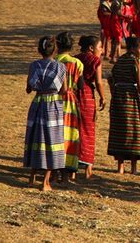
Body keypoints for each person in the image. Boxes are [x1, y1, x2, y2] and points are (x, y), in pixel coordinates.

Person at [23, 36, 66, 191]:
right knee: (52, 140)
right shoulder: (60, 67)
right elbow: (64, 90)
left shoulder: (34, 65)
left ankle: (32, 178)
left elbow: (28, 88)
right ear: (55, 50)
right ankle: (45, 182)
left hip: (37, 103)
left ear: (39, 50)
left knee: (36, 137)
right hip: (53, 104)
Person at [108, 36, 140, 174]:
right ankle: (133, 168)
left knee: (120, 131)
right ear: (133, 48)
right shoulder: (136, 62)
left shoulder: (119, 60)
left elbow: (110, 79)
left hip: (118, 98)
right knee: (134, 132)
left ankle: (120, 167)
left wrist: (114, 93)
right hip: (132, 99)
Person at [75, 35, 106, 179]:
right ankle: (88, 170)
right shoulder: (95, 61)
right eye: (100, 47)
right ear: (91, 48)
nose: (102, 50)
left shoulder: (75, 59)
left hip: (73, 94)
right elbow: (99, 82)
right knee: (88, 130)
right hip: (87, 95)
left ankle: (71, 168)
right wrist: (103, 97)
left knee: (73, 129)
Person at [54, 31, 83, 180]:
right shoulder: (76, 63)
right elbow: (81, 85)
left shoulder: (54, 61)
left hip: (54, 100)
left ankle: (53, 168)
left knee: (56, 134)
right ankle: (67, 172)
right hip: (70, 102)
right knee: (70, 134)